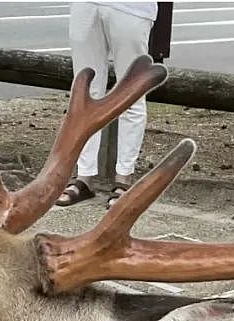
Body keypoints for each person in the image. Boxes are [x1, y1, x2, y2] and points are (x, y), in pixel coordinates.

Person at [56, 2, 159, 208]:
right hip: (86, 5)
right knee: (85, 91)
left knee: (132, 92)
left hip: (132, 9)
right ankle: (84, 176)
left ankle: (124, 178)